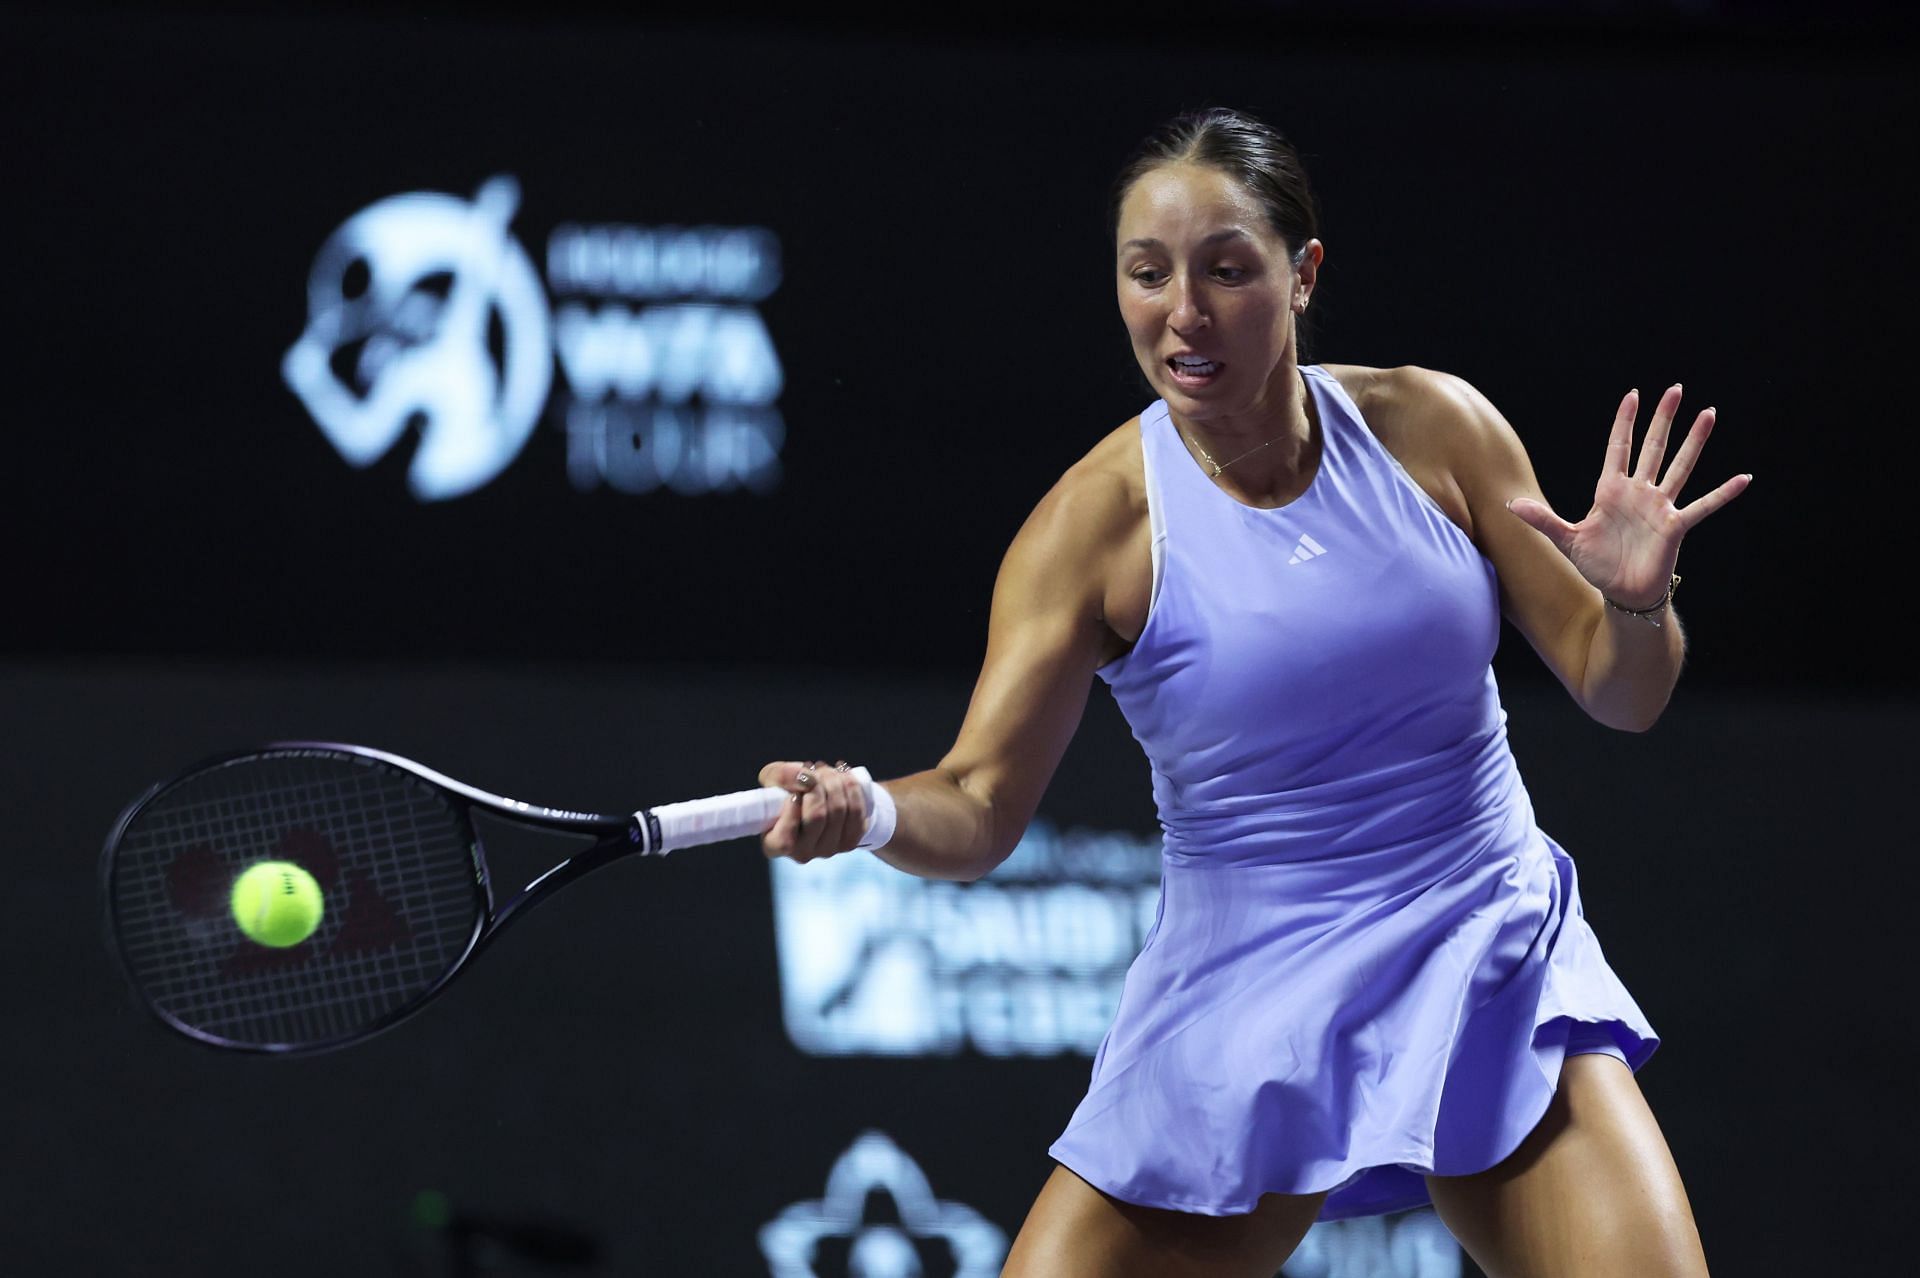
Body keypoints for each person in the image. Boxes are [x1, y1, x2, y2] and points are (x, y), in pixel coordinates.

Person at [758, 107, 1745, 1278]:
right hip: (1246, 985)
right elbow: (975, 803)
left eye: (1227, 269)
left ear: (1302, 273)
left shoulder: (1433, 428)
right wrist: (867, 808)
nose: (1184, 313)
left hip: (1484, 933)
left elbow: (1621, 692)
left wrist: (1637, 604)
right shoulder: (1092, 527)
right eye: (1147, 274)